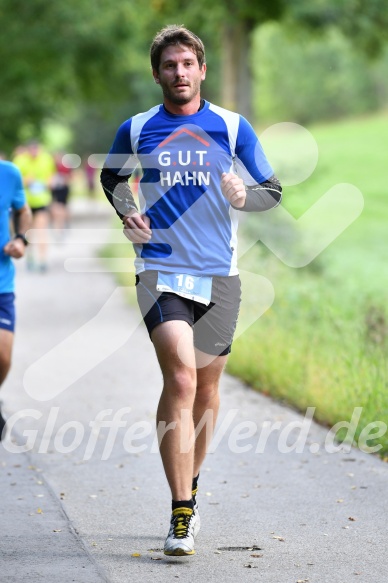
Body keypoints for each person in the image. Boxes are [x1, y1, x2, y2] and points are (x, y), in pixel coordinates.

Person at [100, 25, 282, 556]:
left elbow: (271, 191)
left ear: (202, 70)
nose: (179, 73)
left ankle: (190, 486)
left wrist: (241, 195)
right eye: (169, 65)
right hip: (159, 270)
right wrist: (129, 212)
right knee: (179, 377)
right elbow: (113, 179)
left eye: (187, 64)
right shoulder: (136, 129)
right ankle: (182, 513)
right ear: (156, 73)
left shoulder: (231, 126)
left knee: (205, 391)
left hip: (219, 275)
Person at [0, 159, 32, 439]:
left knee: (2, 355)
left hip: (2, 283)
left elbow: (24, 211)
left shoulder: (8, 173)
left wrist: (21, 239)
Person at [13, 141, 55, 272]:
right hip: (25, 203)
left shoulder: (46, 159)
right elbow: (14, 180)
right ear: (27, 150)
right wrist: (26, 180)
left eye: (36, 150)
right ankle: (30, 258)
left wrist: (45, 183)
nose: (34, 153)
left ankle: (42, 260)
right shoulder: (20, 160)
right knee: (28, 232)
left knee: (42, 231)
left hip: (41, 201)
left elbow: (51, 178)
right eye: (31, 151)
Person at [50, 151, 72, 233]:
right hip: (55, 189)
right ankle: (58, 225)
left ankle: (63, 224)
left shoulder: (65, 166)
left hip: (63, 189)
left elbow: (70, 177)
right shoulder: (52, 166)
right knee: (56, 207)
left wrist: (63, 180)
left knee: (63, 207)